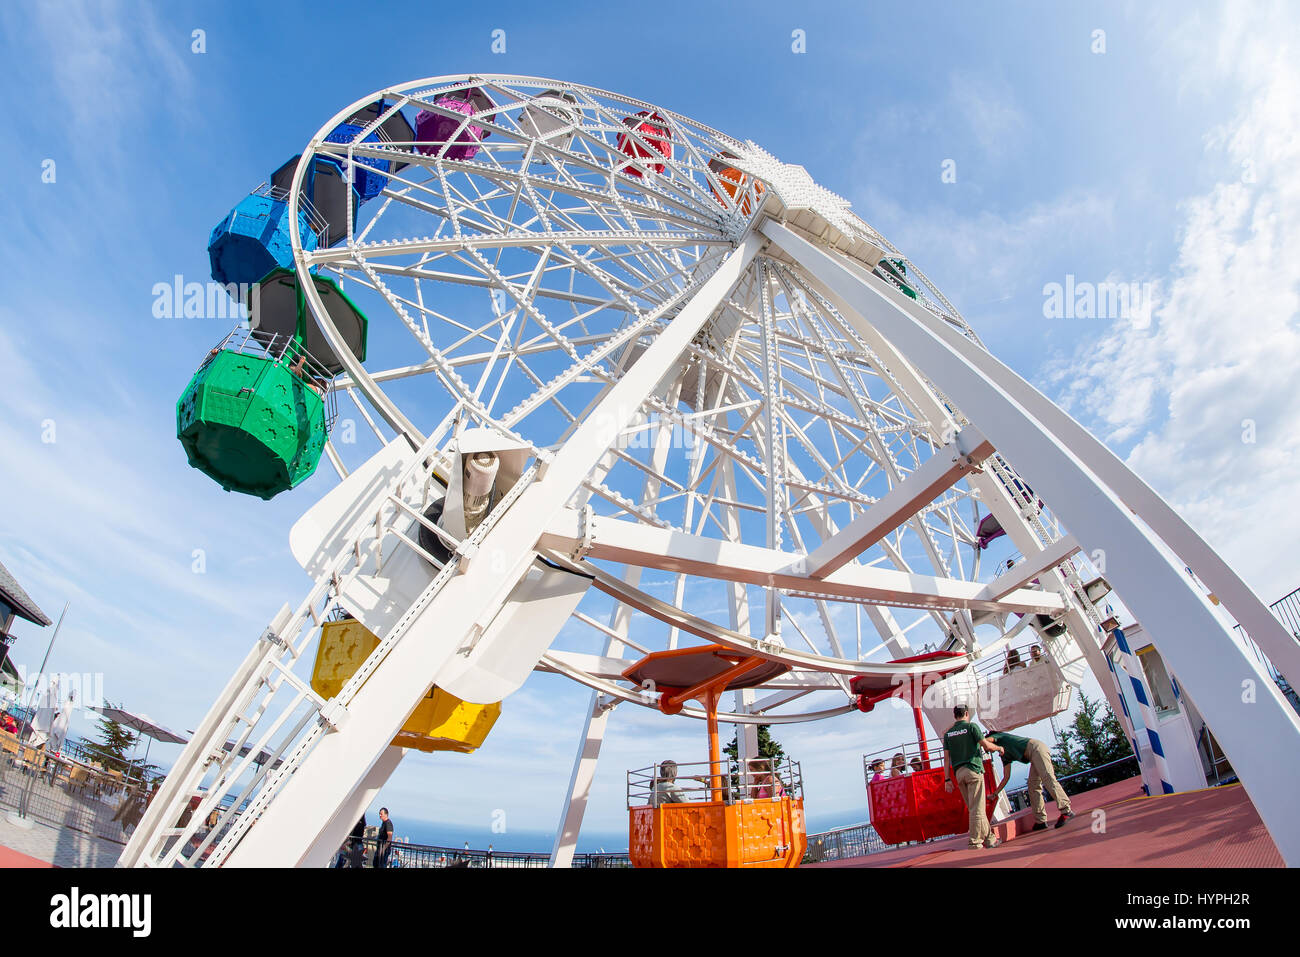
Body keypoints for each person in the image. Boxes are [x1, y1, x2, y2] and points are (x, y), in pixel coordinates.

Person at [941, 704, 1004, 849]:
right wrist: (999, 748)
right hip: (973, 769)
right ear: (967, 714)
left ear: (954, 715)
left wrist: (947, 779)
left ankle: (989, 839)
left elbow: (946, 759)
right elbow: (986, 746)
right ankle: (974, 841)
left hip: (959, 774)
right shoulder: (971, 727)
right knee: (977, 808)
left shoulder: (948, 734)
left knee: (974, 808)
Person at [987, 730, 1076, 830]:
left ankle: (1066, 811)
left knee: (1048, 778)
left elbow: (985, 740)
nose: (988, 751)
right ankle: (1040, 820)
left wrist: (975, 741)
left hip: (1037, 749)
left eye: (987, 748)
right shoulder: (1004, 755)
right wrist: (995, 794)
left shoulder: (998, 736)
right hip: (1033, 755)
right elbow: (1006, 777)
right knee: (1033, 785)